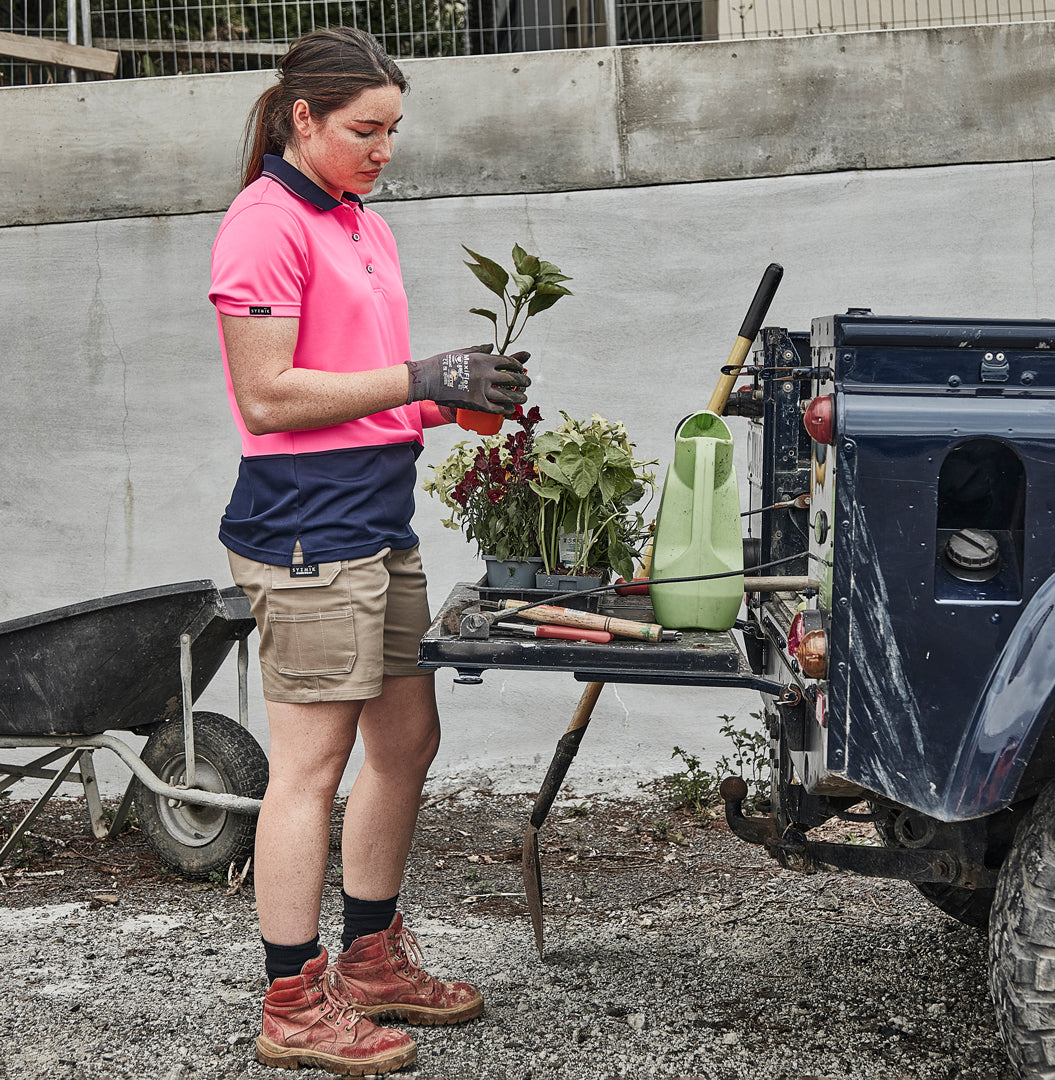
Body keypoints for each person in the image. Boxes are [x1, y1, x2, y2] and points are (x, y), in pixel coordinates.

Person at [208, 26, 530, 1077]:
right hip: (306, 531)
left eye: (393, 131)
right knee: (310, 769)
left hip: (376, 522)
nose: (383, 148)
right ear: (303, 117)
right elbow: (269, 394)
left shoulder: (360, 224)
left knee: (404, 743)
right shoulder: (263, 225)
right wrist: (420, 377)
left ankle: (375, 956)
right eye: (364, 130)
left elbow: (363, 384)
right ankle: (293, 1000)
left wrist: (458, 396)